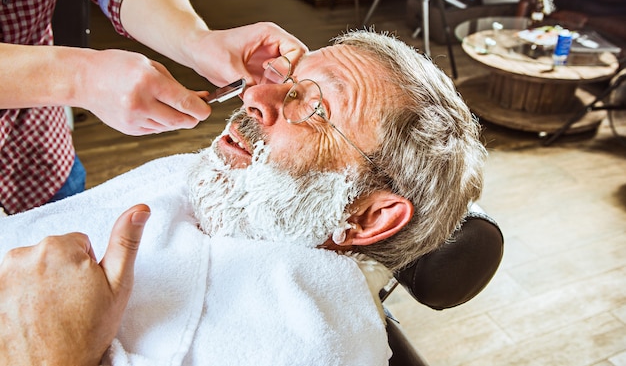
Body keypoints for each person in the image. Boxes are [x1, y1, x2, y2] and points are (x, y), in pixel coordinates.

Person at [0, 30, 488, 365]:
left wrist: (49, 353)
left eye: (315, 109)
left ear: (367, 215)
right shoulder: (222, 185)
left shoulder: (306, 348)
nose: (255, 97)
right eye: (287, 83)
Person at [0, 0, 307, 215]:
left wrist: (195, 40)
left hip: (37, 152)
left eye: (316, 109)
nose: (256, 102)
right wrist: (77, 77)